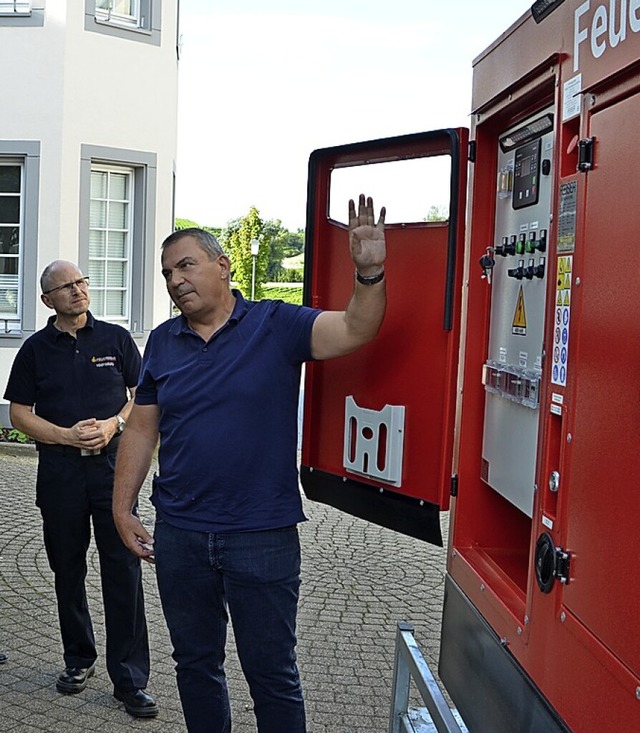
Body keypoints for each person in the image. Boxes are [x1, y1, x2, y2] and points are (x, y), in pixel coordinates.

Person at [112, 193, 386, 733]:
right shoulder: (163, 341)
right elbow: (142, 428)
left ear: (223, 264)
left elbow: (356, 329)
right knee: (194, 665)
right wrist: (123, 509)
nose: (175, 280)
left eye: (186, 265)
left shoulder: (275, 324)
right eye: (167, 273)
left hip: (261, 533)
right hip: (181, 534)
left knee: (272, 674)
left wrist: (370, 274)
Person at [3, 261, 158, 719]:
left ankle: (129, 679)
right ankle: (78, 659)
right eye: (66, 287)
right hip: (61, 475)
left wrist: (116, 423)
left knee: (123, 572)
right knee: (67, 571)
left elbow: (143, 395)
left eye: (81, 282)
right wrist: (64, 435)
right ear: (47, 299)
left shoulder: (115, 338)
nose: (78, 290)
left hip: (114, 474)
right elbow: (18, 413)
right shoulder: (34, 350)